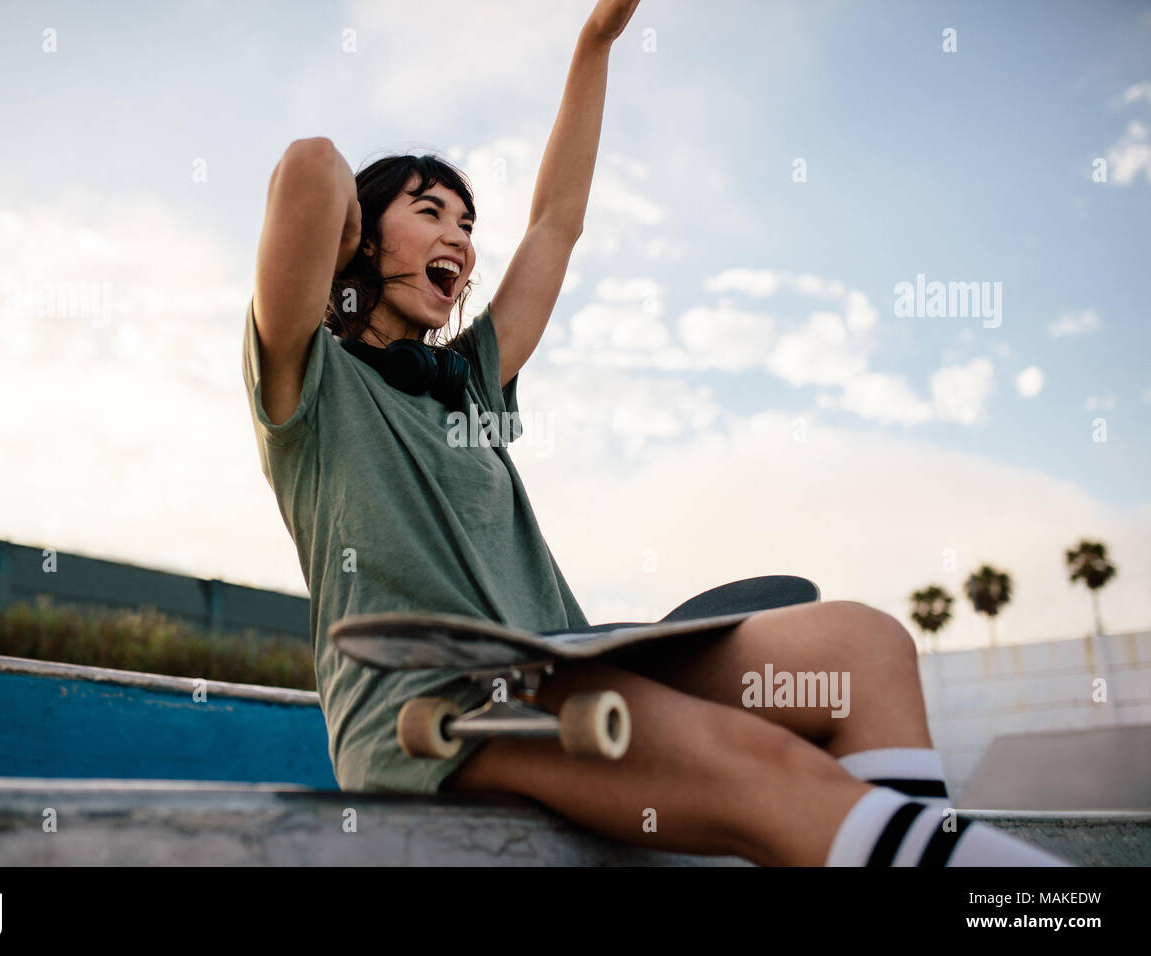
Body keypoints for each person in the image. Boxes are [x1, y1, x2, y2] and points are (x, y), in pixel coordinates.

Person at [242, 0, 1070, 867]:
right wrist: (341, 240)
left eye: (467, 224)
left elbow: (556, 222)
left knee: (864, 647)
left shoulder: (473, 382)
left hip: (571, 664)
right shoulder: (308, 383)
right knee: (770, 773)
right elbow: (309, 168)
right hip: (437, 707)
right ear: (368, 240)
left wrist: (595, 40)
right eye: (430, 212)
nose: (459, 237)